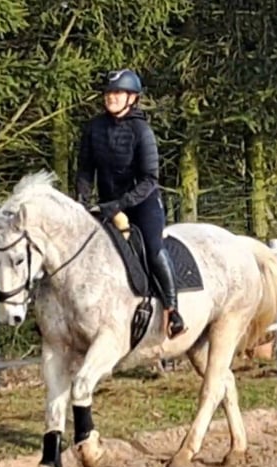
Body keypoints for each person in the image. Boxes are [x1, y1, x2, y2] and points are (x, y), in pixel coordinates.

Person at [75, 68, 186, 339]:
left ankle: (173, 310)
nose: (111, 97)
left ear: (132, 98)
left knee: (151, 246)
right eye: (108, 93)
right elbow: (86, 171)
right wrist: (81, 204)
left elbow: (150, 179)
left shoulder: (141, 130)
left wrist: (120, 204)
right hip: (106, 205)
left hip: (142, 204)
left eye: (117, 93)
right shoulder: (94, 128)